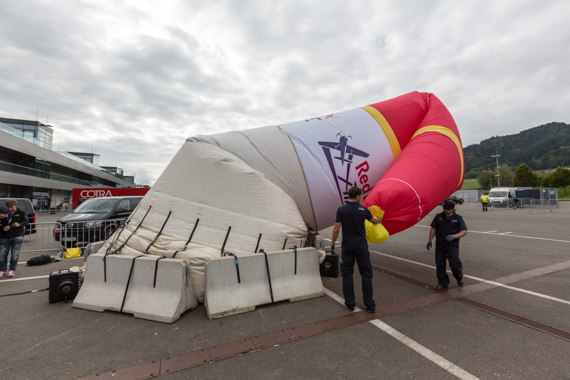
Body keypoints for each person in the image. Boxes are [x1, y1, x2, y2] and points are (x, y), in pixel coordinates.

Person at [331, 186, 381, 312]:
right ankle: (369, 304)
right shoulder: (363, 209)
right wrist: (379, 219)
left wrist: (332, 243)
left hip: (347, 246)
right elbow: (374, 221)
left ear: (349, 196)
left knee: (347, 274)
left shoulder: (341, 209)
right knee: (366, 274)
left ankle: (350, 303)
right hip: (361, 247)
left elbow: (336, 228)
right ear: (358, 196)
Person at [426, 199, 467, 290]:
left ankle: (459, 278)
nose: (445, 210)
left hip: (452, 245)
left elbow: (464, 231)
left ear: (453, 209)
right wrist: (429, 240)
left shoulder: (458, 218)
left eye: (448, 209)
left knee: (454, 265)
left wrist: (455, 236)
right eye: (444, 208)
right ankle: (442, 283)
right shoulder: (438, 217)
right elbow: (433, 228)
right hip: (440, 245)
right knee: (440, 264)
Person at [0, 199, 28, 278]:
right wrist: (3, 229)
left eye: (12, 207)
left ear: (15, 206)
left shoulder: (21, 212)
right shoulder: (4, 212)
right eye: (9, 207)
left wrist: (19, 224)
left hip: (17, 236)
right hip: (4, 236)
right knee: (2, 254)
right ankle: (2, 270)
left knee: (15, 254)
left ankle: (12, 270)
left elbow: (26, 222)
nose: (10, 209)